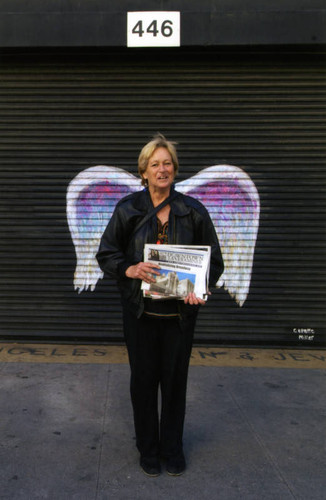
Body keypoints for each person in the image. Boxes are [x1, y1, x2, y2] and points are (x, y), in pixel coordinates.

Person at [96, 134, 224, 477]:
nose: (162, 169)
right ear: (144, 171)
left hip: (180, 316)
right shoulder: (128, 209)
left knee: (174, 383)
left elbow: (215, 263)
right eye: (155, 164)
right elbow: (107, 253)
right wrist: (130, 268)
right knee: (143, 382)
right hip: (140, 314)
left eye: (167, 163)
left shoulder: (193, 211)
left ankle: (172, 449)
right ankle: (148, 448)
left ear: (175, 169)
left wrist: (201, 289)